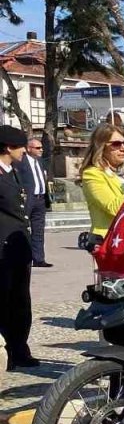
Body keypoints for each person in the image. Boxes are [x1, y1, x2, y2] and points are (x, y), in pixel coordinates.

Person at [0, 126, 36, 369]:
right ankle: (6, 353)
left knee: (21, 302)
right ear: (7, 148)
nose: (24, 150)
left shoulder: (15, 171)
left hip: (19, 248)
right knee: (3, 301)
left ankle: (19, 349)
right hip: (2, 249)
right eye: (20, 146)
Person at [19, 136, 51, 267]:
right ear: (28, 148)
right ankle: (24, 258)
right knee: (24, 228)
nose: (41, 150)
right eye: (38, 148)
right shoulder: (21, 162)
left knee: (38, 230)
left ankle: (38, 259)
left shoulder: (40, 161)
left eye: (41, 147)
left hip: (40, 199)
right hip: (28, 199)